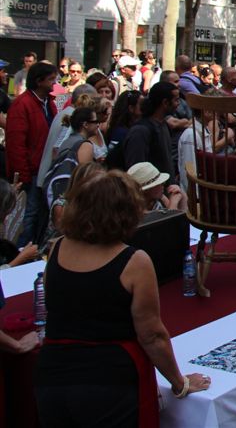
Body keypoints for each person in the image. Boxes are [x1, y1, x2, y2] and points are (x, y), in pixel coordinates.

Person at [34, 171, 210, 426]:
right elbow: (152, 335)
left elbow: (54, 303)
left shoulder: (58, 247)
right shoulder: (134, 262)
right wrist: (179, 382)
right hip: (109, 380)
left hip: (53, 373)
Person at [6, 62, 59, 247]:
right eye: (51, 79)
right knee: (27, 216)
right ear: (39, 81)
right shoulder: (22, 105)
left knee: (38, 215)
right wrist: (24, 176)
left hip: (44, 169)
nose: (55, 83)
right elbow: (16, 144)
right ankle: (20, 252)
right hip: (31, 172)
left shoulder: (48, 103)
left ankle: (32, 248)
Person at [121, 82, 178, 185]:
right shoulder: (140, 131)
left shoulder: (164, 126)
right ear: (165, 102)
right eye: (176, 100)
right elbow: (135, 171)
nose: (178, 104)